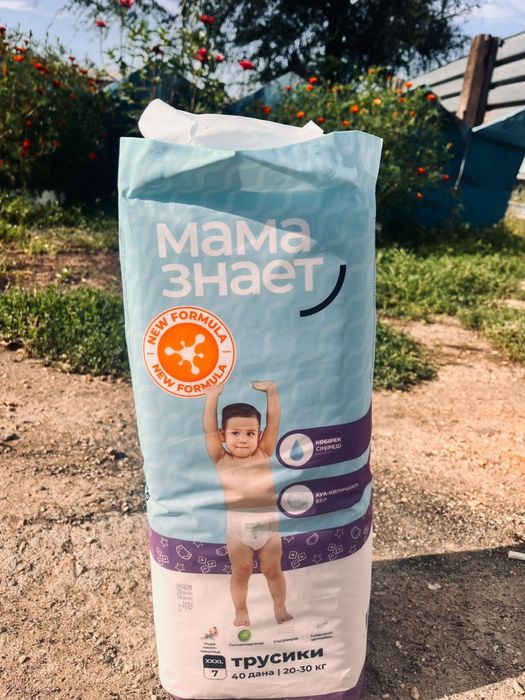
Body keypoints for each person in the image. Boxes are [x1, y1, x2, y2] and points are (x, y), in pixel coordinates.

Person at [203, 381, 293, 627]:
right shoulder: (221, 459)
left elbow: (273, 423)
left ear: (259, 435)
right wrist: (212, 396)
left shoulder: (263, 453)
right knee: (241, 572)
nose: (243, 439)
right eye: (235, 433)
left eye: (250, 434)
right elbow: (208, 430)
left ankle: (280, 607)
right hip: (238, 527)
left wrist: (272, 392)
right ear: (223, 435)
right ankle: (241, 609)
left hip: (268, 525)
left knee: (273, 570)